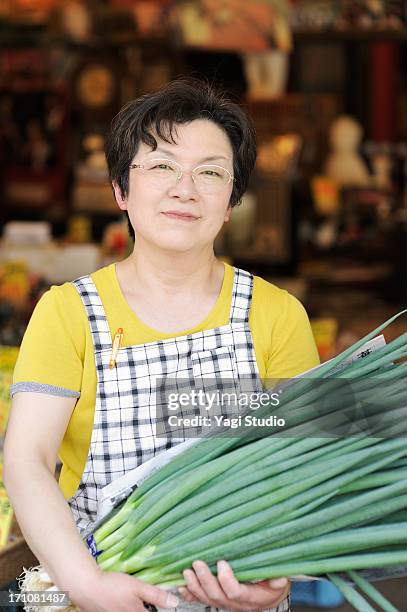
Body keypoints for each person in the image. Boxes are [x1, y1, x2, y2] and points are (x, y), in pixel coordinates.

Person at [4, 77, 319, 612]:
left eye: (211, 173)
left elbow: (301, 465)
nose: (185, 188)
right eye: (162, 166)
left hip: (237, 588)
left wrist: (276, 578)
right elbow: (25, 460)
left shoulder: (277, 316)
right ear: (121, 190)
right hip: (101, 587)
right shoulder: (68, 312)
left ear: (231, 202)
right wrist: (88, 585)